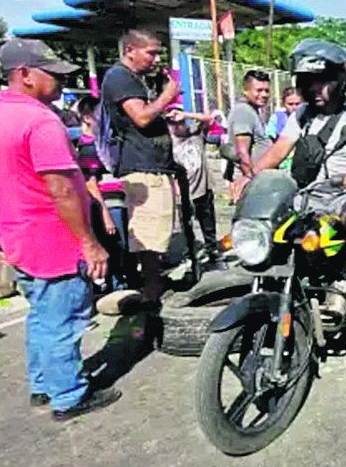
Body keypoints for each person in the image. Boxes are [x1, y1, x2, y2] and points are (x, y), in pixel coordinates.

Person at [0, 39, 120, 419]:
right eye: (51, 74)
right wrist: (89, 243)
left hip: (16, 233)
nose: (59, 82)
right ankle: (68, 395)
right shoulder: (40, 121)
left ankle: (44, 384)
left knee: (40, 315)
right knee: (63, 319)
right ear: (24, 75)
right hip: (52, 240)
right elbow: (60, 188)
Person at [237, 40, 346, 345]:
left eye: (322, 82)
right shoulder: (302, 116)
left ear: (339, 82)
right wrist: (250, 177)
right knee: (270, 226)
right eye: (308, 82)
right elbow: (278, 150)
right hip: (307, 193)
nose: (315, 89)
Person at [100, 29, 180, 308]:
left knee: (158, 229)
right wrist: (166, 97)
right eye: (151, 53)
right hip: (142, 168)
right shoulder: (120, 77)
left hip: (154, 166)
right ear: (131, 50)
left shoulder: (134, 80)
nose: (156, 59)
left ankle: (153, 284)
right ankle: (151, 292)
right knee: (148, 232)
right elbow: (141, 117)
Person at [76, 95, 128, 292]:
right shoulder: (87, 147)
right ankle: (116, 286)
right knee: (115, 246)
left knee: (123, 247)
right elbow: (90, 182)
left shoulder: (105, 143)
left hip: (120, 199)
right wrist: (105, 213)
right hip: (107, 203)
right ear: (88, 118)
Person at [167, 105, 227, 271]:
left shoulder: (196, 134)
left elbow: (209, 119)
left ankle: (213, 253)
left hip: (202, 189)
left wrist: (184, 113)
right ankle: (191, 258)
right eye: (173, 122)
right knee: (187, 228)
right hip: (183, 194)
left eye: (180, 121)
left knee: (208, 226)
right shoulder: (168, 141)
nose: (177, 125)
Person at [229, 70, 272, 178]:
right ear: (245, 91)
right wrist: (249, 178)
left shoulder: (252, 111)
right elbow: (242, 152)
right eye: (259, 90)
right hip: (249, 178)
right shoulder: (244, 111)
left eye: (266, 91)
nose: (264, 94)